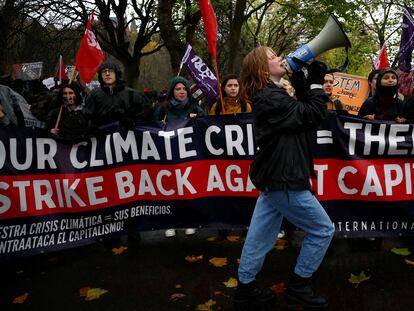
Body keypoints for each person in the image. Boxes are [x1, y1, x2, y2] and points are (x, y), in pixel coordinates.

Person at [233, 46, 334, 310]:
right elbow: (311, 115)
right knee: (323, 230)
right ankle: (299, 285)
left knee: (259, 236)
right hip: (284, 178)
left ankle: (245, 289)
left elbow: (302, 114)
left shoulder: (271, 94)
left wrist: (301, 82)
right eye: (272, 57)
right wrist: (313, 84)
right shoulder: (268, 97)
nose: (280, 58)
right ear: (261, 69)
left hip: (275, 177)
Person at [154, 76, 204, 237]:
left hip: (190, 155)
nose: (181, 92)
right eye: (178, 89)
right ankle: (171, 223)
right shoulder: (163, 109)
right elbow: (152, 129)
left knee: (189, 189)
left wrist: (198, 121)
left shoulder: (195, 109)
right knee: (170, 189)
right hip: (169, 155)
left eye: (184, 89)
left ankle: (191, 221)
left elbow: (206, 127)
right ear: (172, 91)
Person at [84, 60, 153, 132]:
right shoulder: (93, 95)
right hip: (102, 139)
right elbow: (87, 117)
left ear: (116, 73)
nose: (107, 74)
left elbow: (146, 117)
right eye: (104, 72)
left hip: (128, 139)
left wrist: (133, 122)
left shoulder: (133, 95)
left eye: (110, 71)